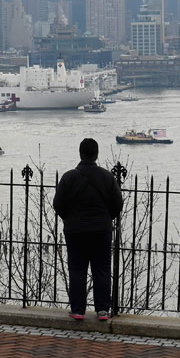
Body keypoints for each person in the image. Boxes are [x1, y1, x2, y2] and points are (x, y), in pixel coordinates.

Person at [52, 137, 123, 322]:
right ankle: (102, 310)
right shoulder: (107, 177)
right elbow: (118, 204)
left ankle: (77, 309)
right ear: (96, 154)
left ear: (80, 154)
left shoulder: (69, 177)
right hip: (101, 230)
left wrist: (69, 218)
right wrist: (107, 219)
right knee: (102, 269)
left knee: (77, 269)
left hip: (75, 231)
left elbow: (58, 204)